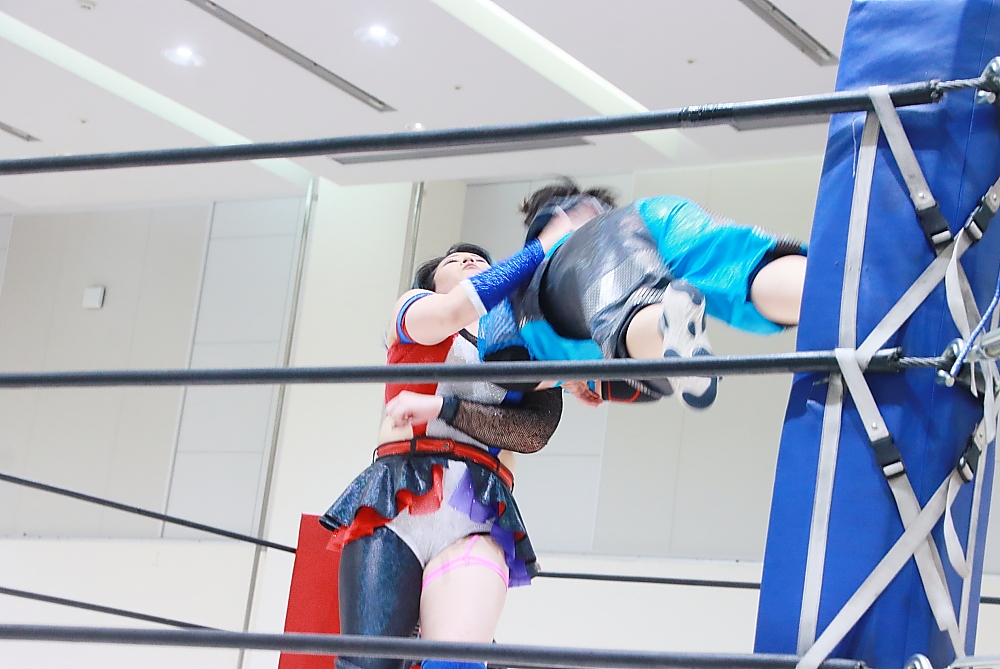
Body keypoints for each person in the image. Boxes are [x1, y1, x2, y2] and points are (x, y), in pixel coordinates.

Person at [319, 232, 570, 669]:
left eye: (480, 260)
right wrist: (539, 249)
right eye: (454, 261)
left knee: (458, 660)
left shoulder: (527, 349)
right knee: (367, 664)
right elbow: (451, 313)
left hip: (478, 507)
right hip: (399, 498)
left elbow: (532, 433)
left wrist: (444, 408)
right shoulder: (416, 309)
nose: (469, 259)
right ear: (432, 281)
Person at [478, 179, 808, 409]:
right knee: (741, 268)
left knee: (622, 313)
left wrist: (567, 379)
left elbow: (500, 360)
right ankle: (823, 294)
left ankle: (665, 325)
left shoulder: (522, 283)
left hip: (588, 262)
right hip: (657, 213)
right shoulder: (626, 219)